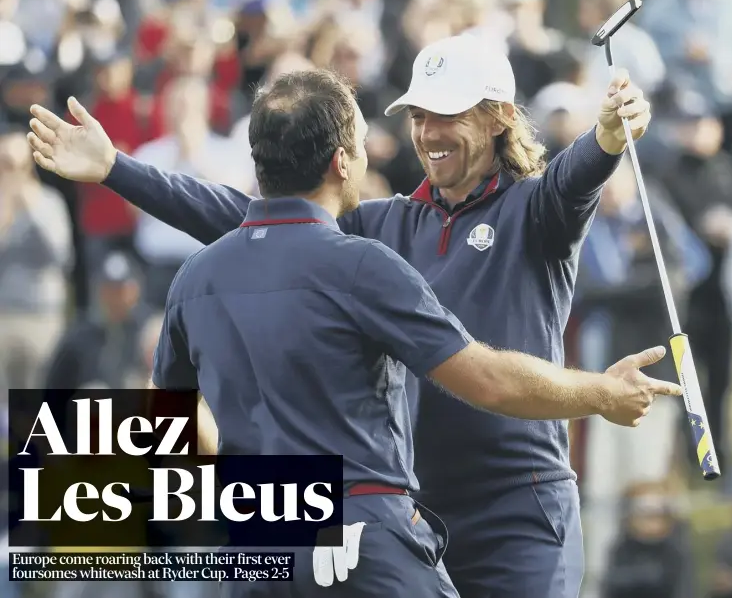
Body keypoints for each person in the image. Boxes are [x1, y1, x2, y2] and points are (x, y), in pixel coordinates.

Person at [29, 33, 657, 598]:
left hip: (517, 508)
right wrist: (117, 170)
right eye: (418, 114)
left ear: (499, 117)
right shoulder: (379, 229)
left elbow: (575, 177)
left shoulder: (534, 209)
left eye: (447, 113)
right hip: (412, 512)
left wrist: (606, 135)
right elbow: (250, 219)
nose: (428, 131)